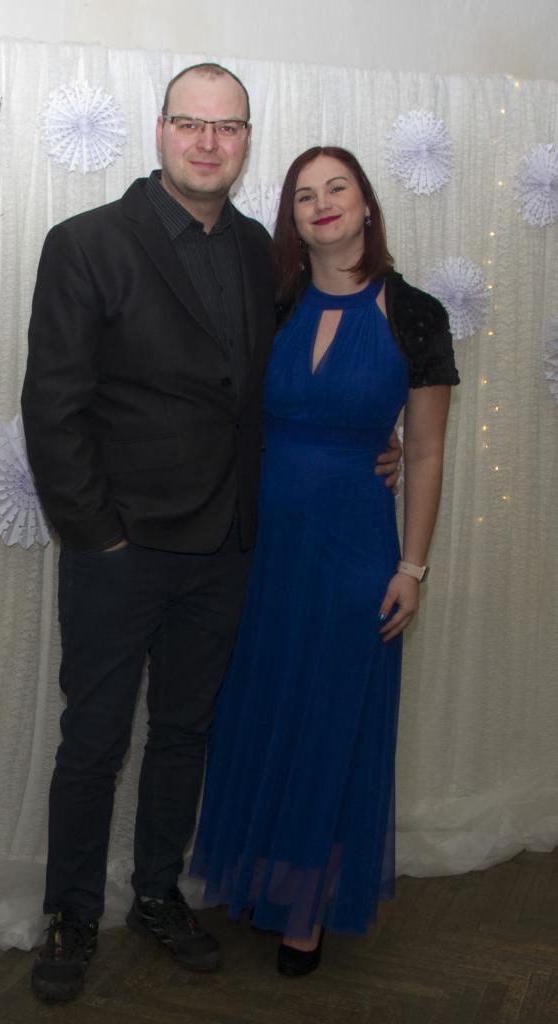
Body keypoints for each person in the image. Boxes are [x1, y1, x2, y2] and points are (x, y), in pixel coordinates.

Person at [22, 66, 401, 1002]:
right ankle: (70, 916)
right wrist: (97, 536)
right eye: (190, 123)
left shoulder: (257, 252)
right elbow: (53, 407)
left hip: (229, 548)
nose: (207, 142)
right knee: (94, 740)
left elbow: (280, 384)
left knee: (185, 733)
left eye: (226, 127)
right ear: (160, 131)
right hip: (119, 549)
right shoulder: (86, 241)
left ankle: (157, 893)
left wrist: (372, 440)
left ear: (245, 141)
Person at [190, 146, 459, 977]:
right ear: (293, 220)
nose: (322, 203)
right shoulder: (270, 303)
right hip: (260, 551)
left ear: (366, 204)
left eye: (336, 187)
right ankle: (258, 880)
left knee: (332, 721)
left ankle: (305, 908)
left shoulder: (415, 314)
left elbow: (423, 452)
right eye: (304, 195)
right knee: (261, 710)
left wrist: (411, 568)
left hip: (354, 551)